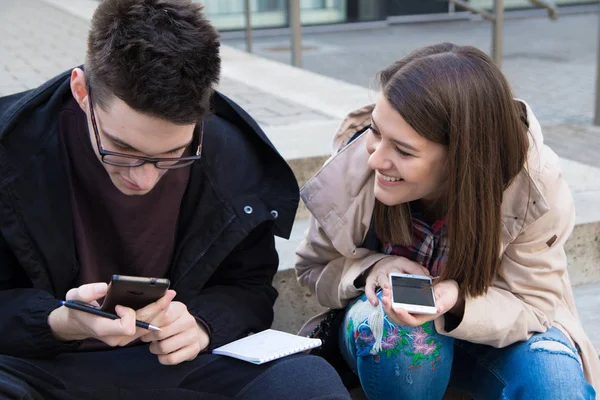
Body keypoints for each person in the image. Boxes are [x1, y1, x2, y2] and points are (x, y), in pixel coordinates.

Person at [0, 0, 350, 399]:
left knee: (305, 381)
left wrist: (203, 324)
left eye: (171, 155)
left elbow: (249, 288)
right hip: (39, 369)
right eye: (121, 148)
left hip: (182, 369)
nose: (143, 177)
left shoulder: (232, 154)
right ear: (81, 92)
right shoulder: (10, 148)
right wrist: (58, 321)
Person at [295, 43, 599, 399]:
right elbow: (313, 267)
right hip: (390, 341)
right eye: (376, 132)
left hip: (495, 331)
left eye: (403, 151)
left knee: (556, 384)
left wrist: (455, 299)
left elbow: (533, 305)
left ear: (462, 157)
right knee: (404, 337)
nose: (376, 159)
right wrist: (371, 268)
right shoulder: (355, 164)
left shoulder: (533, 184)